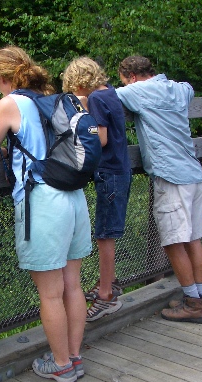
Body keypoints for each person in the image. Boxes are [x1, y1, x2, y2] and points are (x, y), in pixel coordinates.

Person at [0, 46, 91, 382]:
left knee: (50, 293)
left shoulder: (11, 104)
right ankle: (73, 357)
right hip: (74, 196)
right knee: (73, 285)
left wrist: (8, 152)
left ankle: (61, 365)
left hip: (42, 202)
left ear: (2, 78)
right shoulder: (55, 99)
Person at [115, 55, 202, 323]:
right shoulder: (178, 89)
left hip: (170, 176)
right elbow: (190, 89)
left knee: (173, 241)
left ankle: (193, 304)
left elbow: (105, 99)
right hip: (192, 171)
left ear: (131, 76)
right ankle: (199, 296)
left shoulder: (135, 91)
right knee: (193, 239)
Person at [61, 57, 131, 322]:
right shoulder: (110, 93)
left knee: (104, 235)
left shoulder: (98, 100)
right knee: (106, 232)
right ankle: (108, 283)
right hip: (118, 171)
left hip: (109, 173)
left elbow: (100, 138)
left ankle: (105, 295)